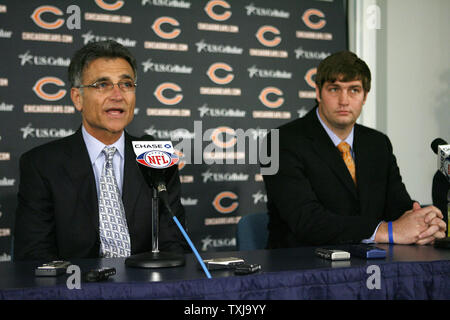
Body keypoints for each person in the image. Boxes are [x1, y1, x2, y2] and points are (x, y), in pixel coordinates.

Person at [14, 40, 187, 261]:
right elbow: (34, 256)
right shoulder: (41, 165)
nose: (117, 95)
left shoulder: (157, 157)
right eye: (102, 85)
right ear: (78, 98)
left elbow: (174, 246)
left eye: (126, 84)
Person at [262, 51, 446, 248]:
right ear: (318, 92)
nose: (344, 100)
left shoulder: (377, 143)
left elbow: (398, 206)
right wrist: (388, 231)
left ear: (365, 96)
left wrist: (424, 223)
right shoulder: (279, 142)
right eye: (334, 89)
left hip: (372, 265)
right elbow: (307, 221)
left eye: (354, 90)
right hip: (300, 268)